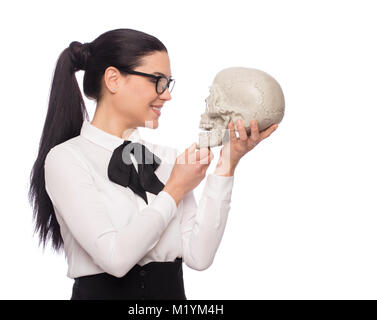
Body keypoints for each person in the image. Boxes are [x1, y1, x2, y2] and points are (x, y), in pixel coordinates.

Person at [28, 28, 278, 300]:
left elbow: (199, 256)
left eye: (168, 83)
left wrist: (227, 163)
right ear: (113, 79)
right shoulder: (67, 159)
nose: (167, 95)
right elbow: (115, 258)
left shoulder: (168, 159)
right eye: (157, 81)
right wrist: (174, 189)